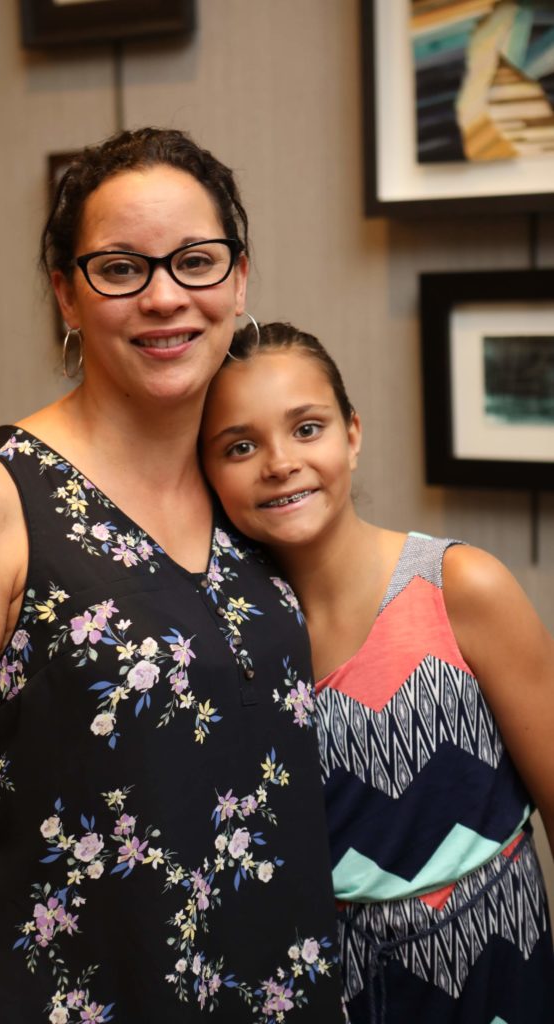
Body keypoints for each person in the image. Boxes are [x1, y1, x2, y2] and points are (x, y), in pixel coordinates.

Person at [0, 132, 345, 1023]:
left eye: (195, 262)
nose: (165, 296)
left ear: (238, 278)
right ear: (66, 293)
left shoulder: (247, 490)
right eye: (121, 268)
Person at [200, 321, 554, 1023]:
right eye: (240, 446)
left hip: (500, 976)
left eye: (307, 428)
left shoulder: (460, 587)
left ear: (351, 434)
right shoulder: (226, 642)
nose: (278, 462)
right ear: (204, 473)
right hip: (333, 992)